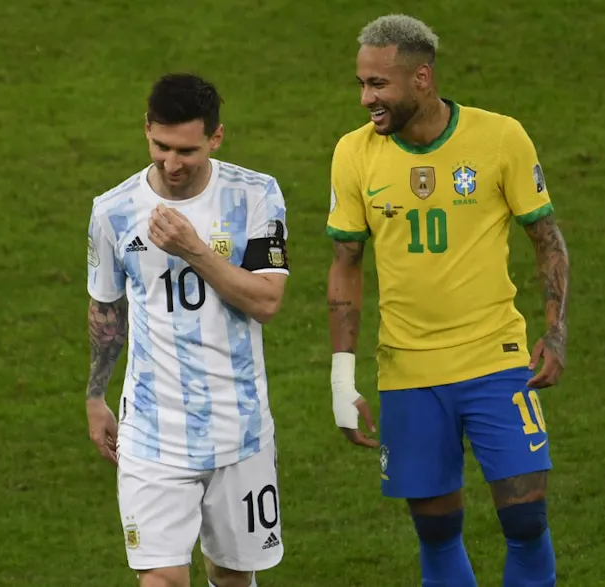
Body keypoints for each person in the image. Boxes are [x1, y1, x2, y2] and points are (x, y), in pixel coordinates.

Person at [326, 14, 570, 587]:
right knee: (436, 531)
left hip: (497, 360)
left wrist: (555, 331)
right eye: (361, 84)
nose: (366, 99)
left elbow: (547, 239)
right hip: (408, 372)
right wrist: (342, 377)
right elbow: (345, 266)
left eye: (378, 85)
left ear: (422, 78)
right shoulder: (354, 154)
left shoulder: (499, 138)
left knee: (527, 516)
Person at [85, 73, 289, 587]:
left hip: (240, 429)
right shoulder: (113, 212)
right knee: (162, 580)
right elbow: (107, 313)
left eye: (187, 151)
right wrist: (95, 394)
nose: (172, 164)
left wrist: (194, 250)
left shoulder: (255, 195)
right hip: (152, 433)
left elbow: (266, 301)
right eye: (160, 147)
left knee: (232, 577)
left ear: (215, 138)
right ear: (146, 129)